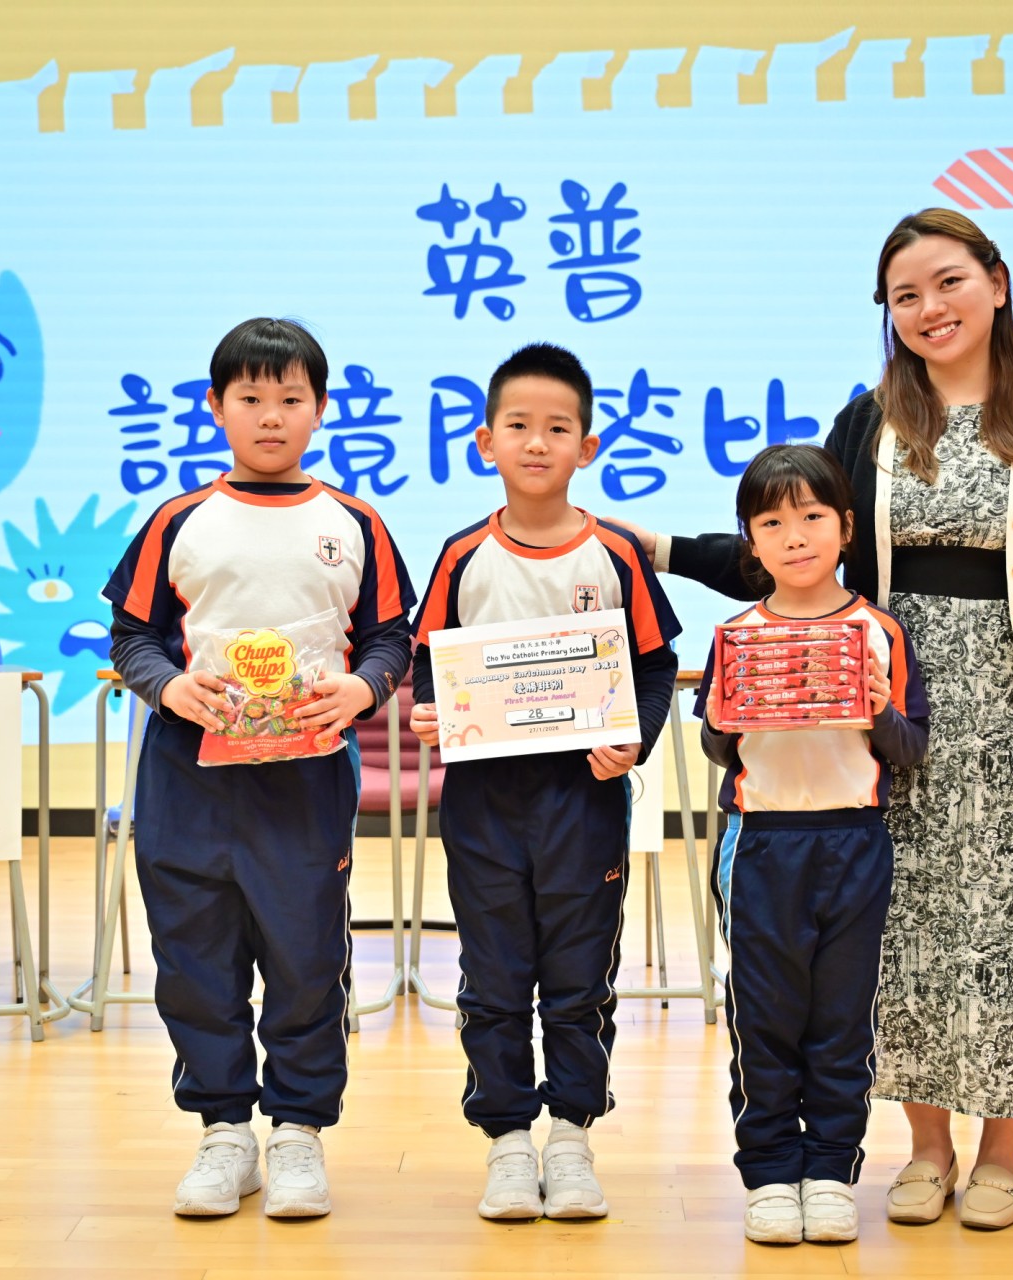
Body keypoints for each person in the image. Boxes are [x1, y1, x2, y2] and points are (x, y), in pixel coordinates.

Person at [634, 208, 1013, 1231]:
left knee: (1011, 929)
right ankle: (926, 1149)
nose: (929, 308)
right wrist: (658, 547)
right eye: (906, 295)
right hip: (887, 714)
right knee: (902, 935)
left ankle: (1002, 1154)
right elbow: (793, 549)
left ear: (997, 283)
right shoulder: (869, 421)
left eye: (948, 282)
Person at [103, 317, 415, 1221]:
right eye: (250, 398)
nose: (270, 416)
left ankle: (298, 1133)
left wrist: (362, 689)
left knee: (306, 955)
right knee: (193, 954)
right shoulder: (178, 521)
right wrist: (170, 687)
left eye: (290, 399)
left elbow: (391, 639)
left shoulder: (355, 523)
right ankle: (224, 1133)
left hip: (306, 779)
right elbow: (132, 637)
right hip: (188, 776)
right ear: (216, 407)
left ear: (320, 409)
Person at [409, 342, 680, 1222]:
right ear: (485, 441)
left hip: (584, 802)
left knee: (579, 977)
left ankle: (571, 1138)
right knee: (492, 977)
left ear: (586, 447)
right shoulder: (461, 555)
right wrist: (429, 711)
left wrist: (633, 743)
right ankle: (506, 1141)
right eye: (518, 426)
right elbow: (428, 664)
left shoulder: (616, 553)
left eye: (557, 428)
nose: (537, 442)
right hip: (484, 806)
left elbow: (653, 668)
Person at [693, 444, 929, 1245]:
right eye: (772, 523)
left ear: (846, 528)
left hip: (854, 841)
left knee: (841, 1017)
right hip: (761, 844)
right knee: (765, 1017)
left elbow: (910, 747)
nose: (794, 536)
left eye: (812, 516)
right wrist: (720, 718)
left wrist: (876, 711)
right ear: (751, 543)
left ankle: (830, 1170)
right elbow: (720, 749)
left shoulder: (878, 631)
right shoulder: (737, 635)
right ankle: (768, 1171)